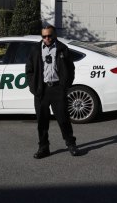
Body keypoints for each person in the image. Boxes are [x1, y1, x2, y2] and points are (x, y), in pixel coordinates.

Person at [25, 25, 80, 158]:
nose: (47, 38)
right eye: (44, 36)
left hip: (57, 89)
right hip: (41, 90)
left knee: (63, 119)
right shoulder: (35, 50)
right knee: (42, 122)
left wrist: (64, 86)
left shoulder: (62, 48)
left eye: (49, 36)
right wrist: (34, 87)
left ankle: (71, 144)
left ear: (54, 35)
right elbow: (29, 70)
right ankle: (43, 148)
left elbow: (70, 68)